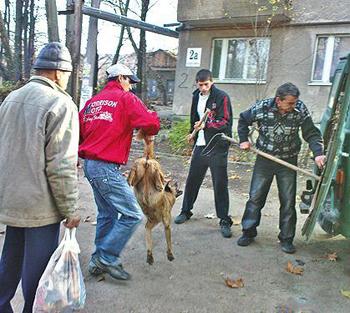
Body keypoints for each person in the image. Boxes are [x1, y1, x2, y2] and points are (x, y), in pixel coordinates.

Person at [0, 42, 81, 313]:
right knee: (38, 275)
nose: (68, 80)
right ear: (58, 73)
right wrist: (70, 209)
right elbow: (61, 165)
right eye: (68, 74)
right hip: (40, 205)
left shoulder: (12, 98)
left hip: (11, 199)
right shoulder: (60, 103)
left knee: (10, 262)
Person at [79, 63, 160, 280]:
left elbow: (79, 132)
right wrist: (152, 116)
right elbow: (149, 123)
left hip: (90, 165)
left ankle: (97, 262)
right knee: (132, 214)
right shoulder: (125, 99)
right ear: (121, 78)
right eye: (130, 81)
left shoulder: (92, 103)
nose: (131, 87)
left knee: (107, 213)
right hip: (105, 167)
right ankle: (106, 257)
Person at [237, 82, 326, 253]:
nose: (293, 106)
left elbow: (311, 133)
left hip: (288, 161)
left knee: (288, 200)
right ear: (279, 100)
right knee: (255, 197)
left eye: (295, 102)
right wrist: (243, 140)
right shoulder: (262, 107)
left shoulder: (299, 109)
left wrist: (318, 153)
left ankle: (286, 238)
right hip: (265, 159)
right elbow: (243, 120)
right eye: (290, 103)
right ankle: (248, 232)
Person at [174, 69, 233, 238]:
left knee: (220, 183)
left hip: (217, 146)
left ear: (211, 82)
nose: (204, 88)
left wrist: (207, 125)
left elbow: (225, 121)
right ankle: (186, 211)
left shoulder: (221, 97)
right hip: (200, 144)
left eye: (206, 84)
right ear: (197, 84)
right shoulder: (196, 96)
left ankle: (224, 220)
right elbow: (195, 118)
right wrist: (191, 134)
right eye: (200, 85)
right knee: (193, 179)